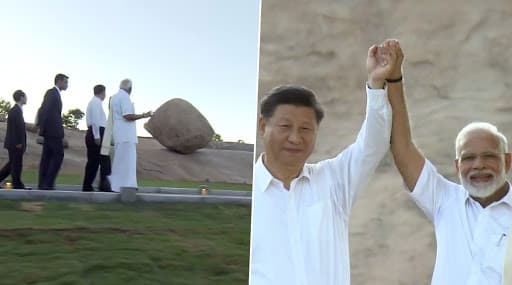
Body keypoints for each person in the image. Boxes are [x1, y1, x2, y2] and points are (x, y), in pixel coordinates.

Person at [249, 43, 396, 285]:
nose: (295, 138)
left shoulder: (333, 181)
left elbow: (374, 144)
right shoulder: (248, 195)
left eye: (306, 129)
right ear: (263, 126)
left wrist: (376, 84)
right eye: (285, 127)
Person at [385, 39, 512, 284]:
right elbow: (401, 146)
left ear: (507, 162)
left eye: (488, 156)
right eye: (468, 158)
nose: (478, 165)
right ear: (457, 166)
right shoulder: (445, 201)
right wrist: (393, 80)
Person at [108, 79, 152, 192]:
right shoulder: (125, 97)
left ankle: (117, 185)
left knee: (119, 161)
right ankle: (127, 186)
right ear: (130, 88)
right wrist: (144, 115)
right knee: (127, 162)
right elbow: (127, 116)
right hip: (126, 135)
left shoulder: (114, 98)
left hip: (119, 133)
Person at [37, 73, 68, 190]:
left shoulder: (56, 94)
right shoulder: (51, 93)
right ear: (59, 81)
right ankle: (48, 182)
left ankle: (43, 184)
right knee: (58, 155)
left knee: (47, 157)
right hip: (52, 132)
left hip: (51, 132)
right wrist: (41, 130)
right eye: (66, 82)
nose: (67, 85)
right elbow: (44, 110)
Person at [82, 84, 112, 192]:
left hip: (94, 132)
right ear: (102, 92)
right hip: (97, 132)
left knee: (93, 161)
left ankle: (88, 185)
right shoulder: (96, 103)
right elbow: (95, 121)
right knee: (104, 160)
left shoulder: (93, 102)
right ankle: (103, 186)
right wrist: (97, 136)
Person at [0, 90, 28, 189]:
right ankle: (17, 184)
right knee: (16, 165)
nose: (26, 98)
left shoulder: (18, 110)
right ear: (21, 97)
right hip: (15, 144)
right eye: (25, 96)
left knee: (12, 165)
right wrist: (18, 142)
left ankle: (16, 183)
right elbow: (13, 128)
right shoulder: (14, 111)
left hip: (16, 143)